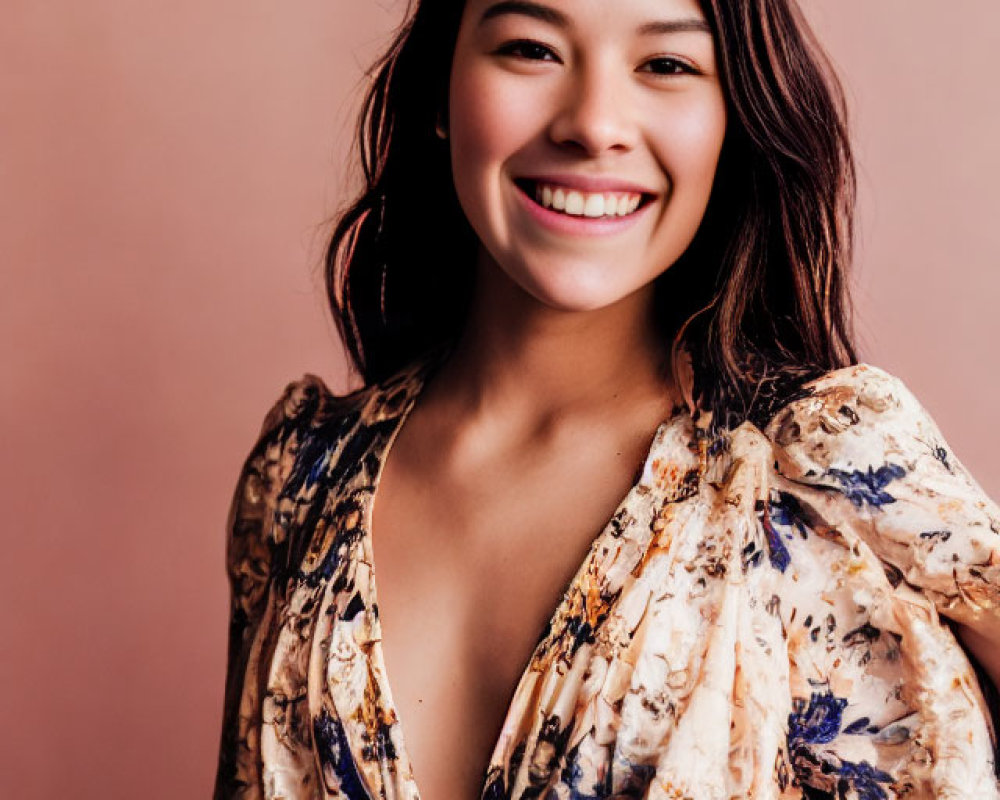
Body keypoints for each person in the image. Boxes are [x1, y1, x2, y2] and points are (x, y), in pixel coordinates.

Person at [213, 0, 1000, 797]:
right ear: (437, 95)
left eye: (666, 65)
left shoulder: (820, 474)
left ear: (736, 121)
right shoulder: (298, 481)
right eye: (531, 48)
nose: (594, 124)